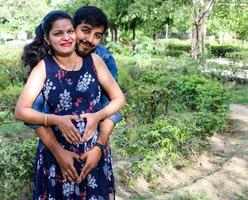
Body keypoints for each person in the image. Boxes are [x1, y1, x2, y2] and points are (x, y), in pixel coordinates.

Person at [15, 10, 125, 200]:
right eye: (58, 33)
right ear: (47, 39)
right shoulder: (44, 67)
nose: (90, 40)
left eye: (97, 35)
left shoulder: (97, 59)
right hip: (57, 155)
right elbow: (24, 111)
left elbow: (117, 100)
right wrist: (56, 123)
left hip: (93, 153)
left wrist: (98, 142)